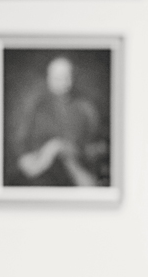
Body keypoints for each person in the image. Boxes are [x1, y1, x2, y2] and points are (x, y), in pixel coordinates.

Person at [11, 55, 105, 187]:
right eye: (57, 78)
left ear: (73, 78)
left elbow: (98, 146)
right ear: (49, 79)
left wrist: (71, 150)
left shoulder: (86, 108)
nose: (63, 83)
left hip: (76, 173)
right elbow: (23, 143)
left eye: (66, 77)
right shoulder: (38, 107)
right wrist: (39, 155)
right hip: (42, 175)